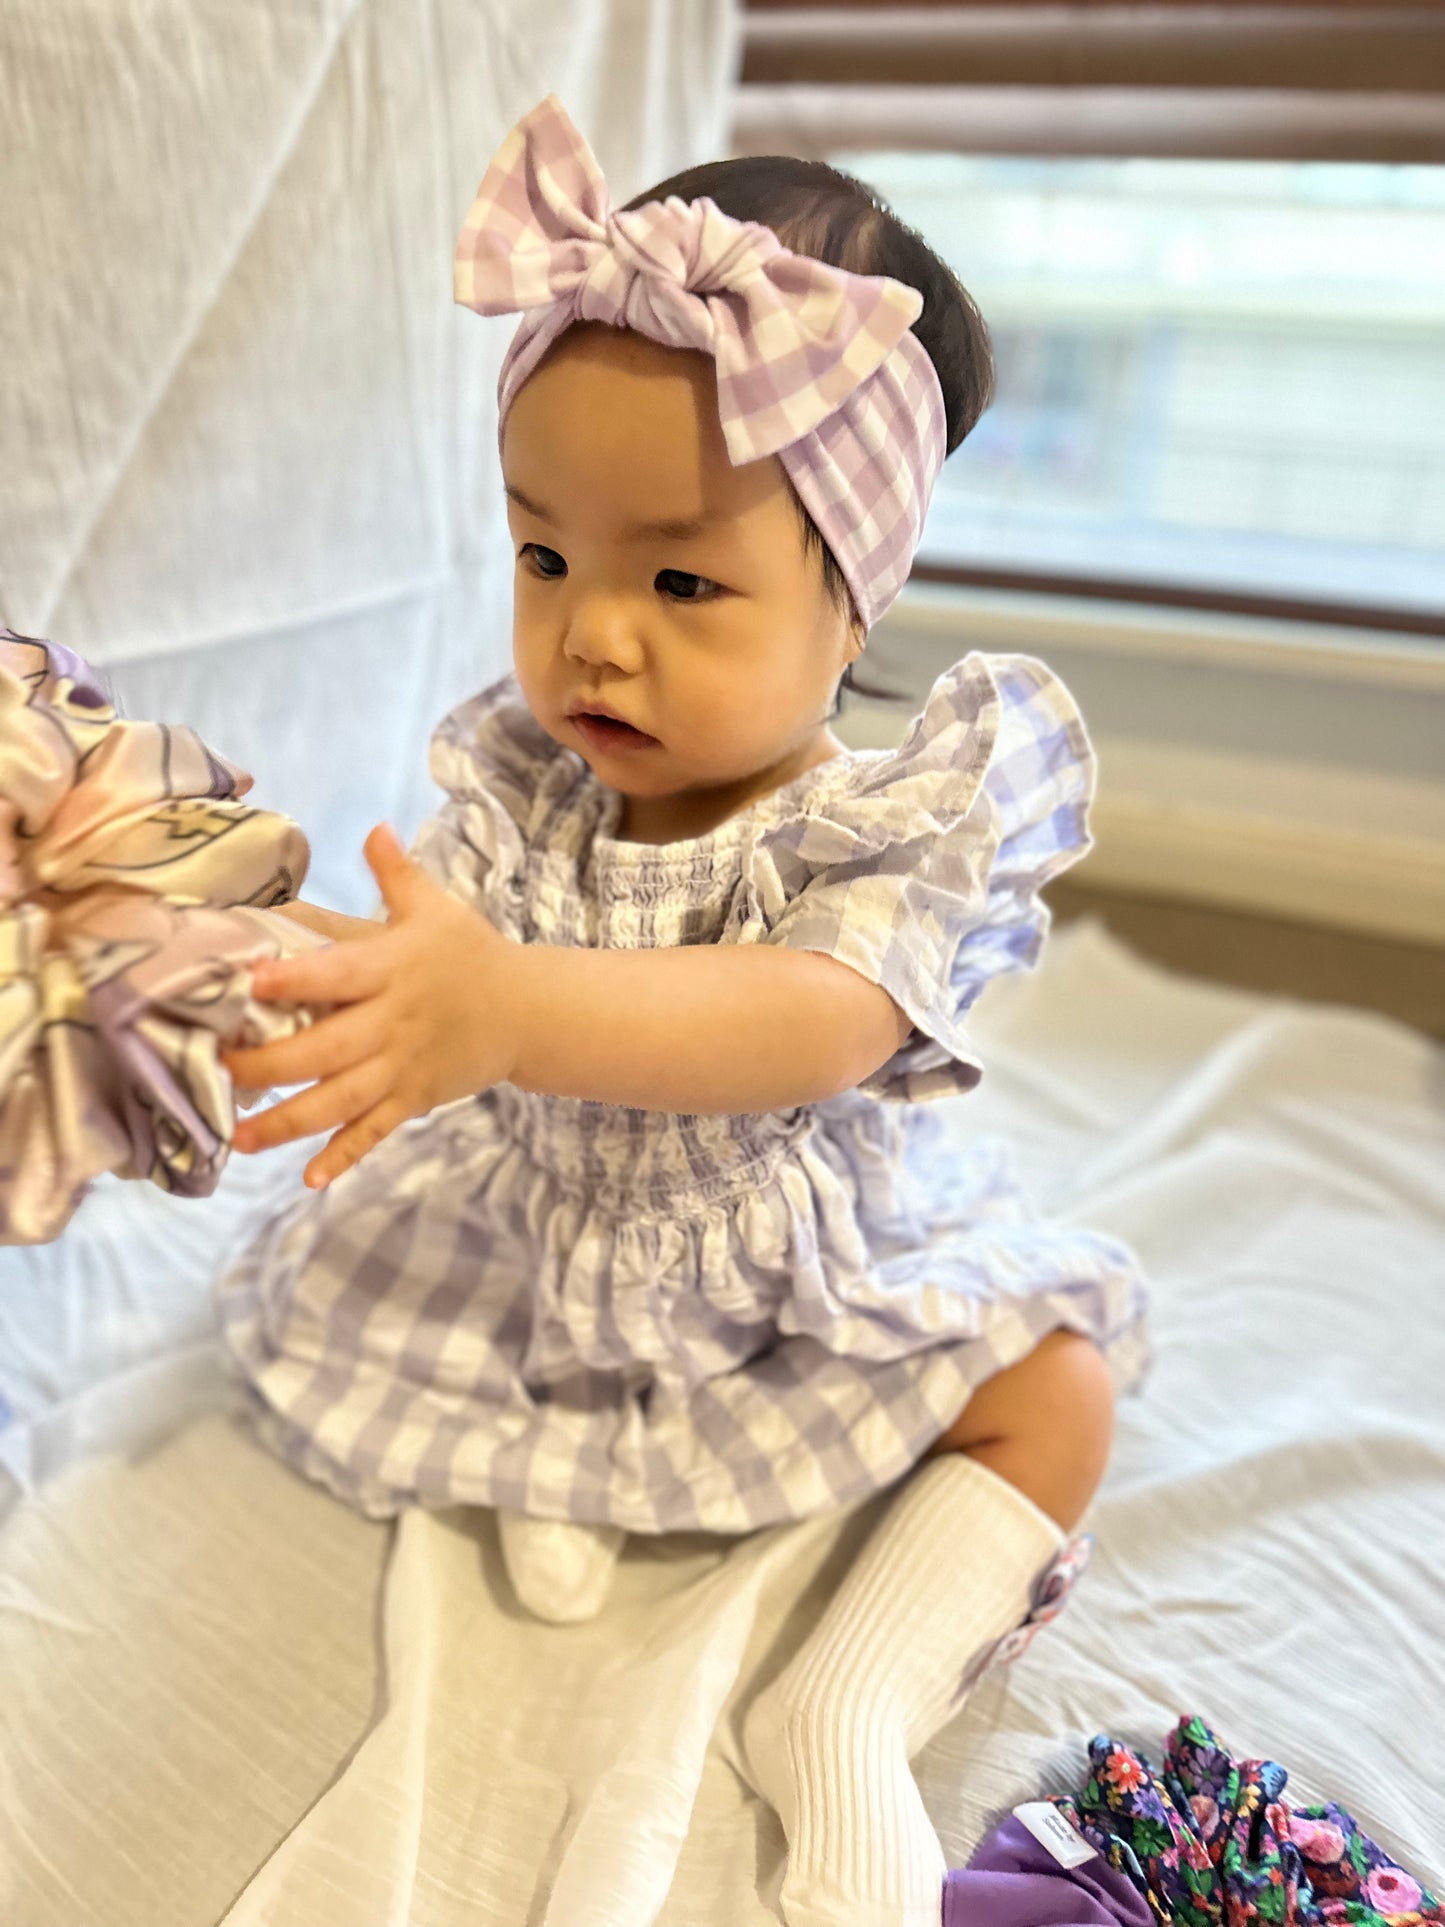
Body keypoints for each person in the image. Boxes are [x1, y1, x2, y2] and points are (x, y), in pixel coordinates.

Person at [216, 93, 1151, 1927]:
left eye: (680, 579)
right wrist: (233, 947)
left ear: (846, 596)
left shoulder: (888, 824)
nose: (590, 636)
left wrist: (502, 1011)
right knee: (420, 1308)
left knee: (1061, 1383)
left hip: (799, 1279)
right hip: (541, 1251)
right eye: (543, 555)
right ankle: (574, 1446)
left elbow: (807, 1022)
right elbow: (426, 969)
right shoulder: (522, 781)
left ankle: (851, 1702)